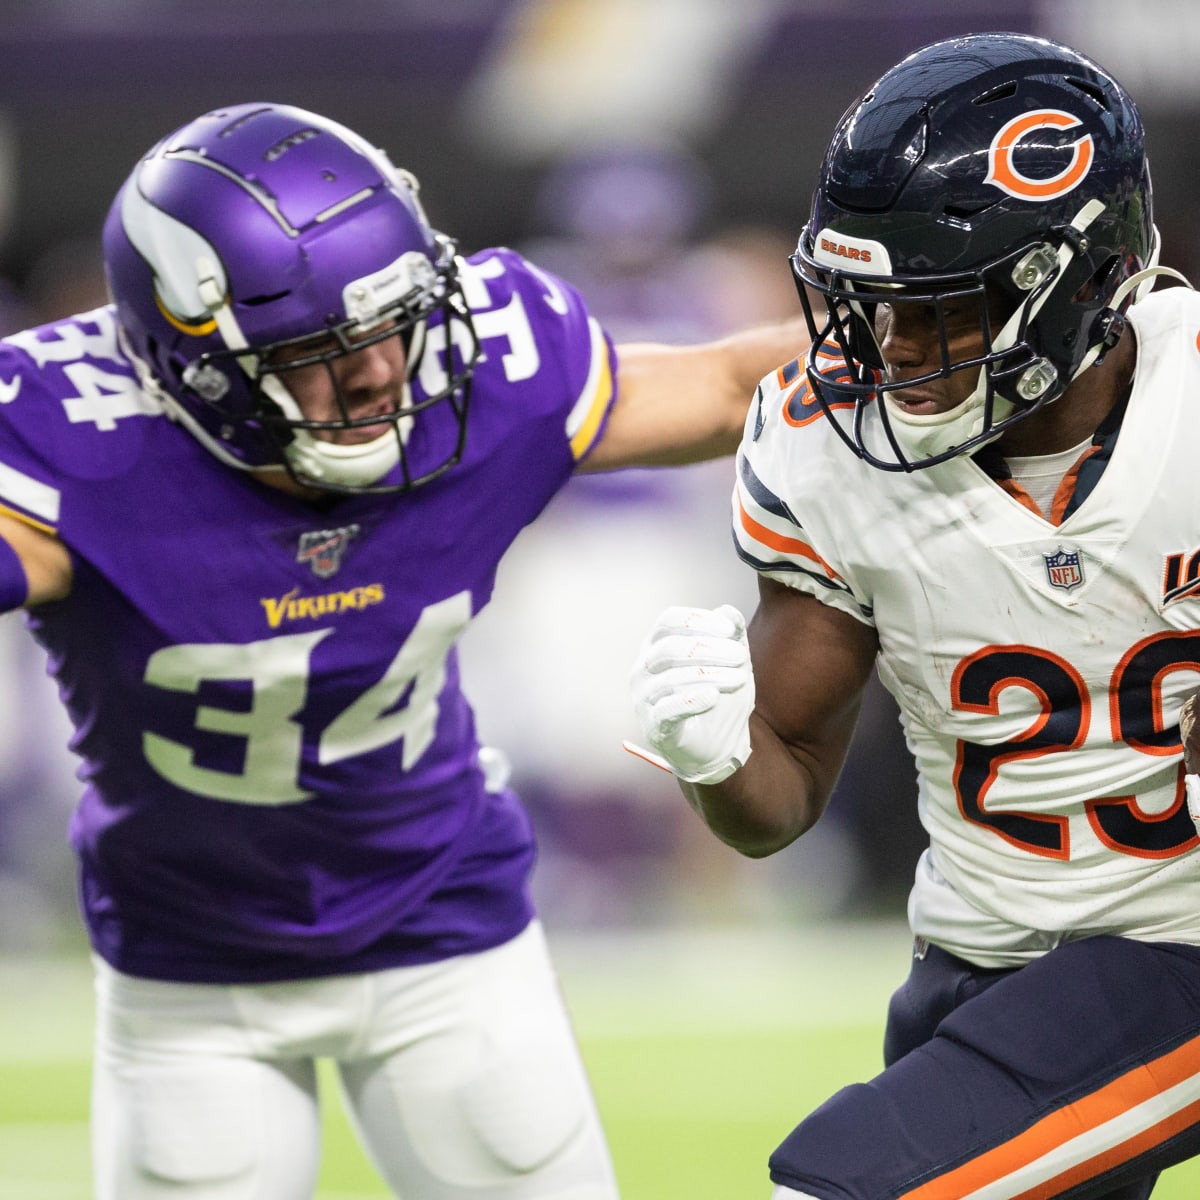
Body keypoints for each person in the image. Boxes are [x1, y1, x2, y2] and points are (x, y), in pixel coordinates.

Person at [0, 102, 805, 1199]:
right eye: (323, 355)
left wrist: (937, 347)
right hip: (190, 971)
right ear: (195, 368)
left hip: (445, 930)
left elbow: (722, 385)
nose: (383, 376)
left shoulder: (486, 367)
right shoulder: (72, 447)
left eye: (393, 326)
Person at [630, 31, 1200, 1200]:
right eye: (868, 308)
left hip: (1179, 948)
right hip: (977, 963)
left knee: (846, 1186)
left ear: (1083, 283)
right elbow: (777, 800)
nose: (891, 354)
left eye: (939, 310)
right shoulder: (827, 444)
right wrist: (715, 754)